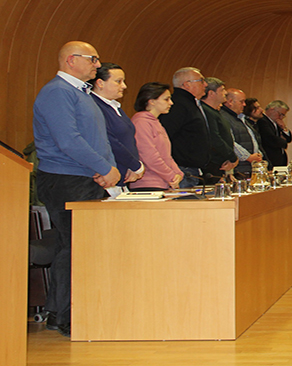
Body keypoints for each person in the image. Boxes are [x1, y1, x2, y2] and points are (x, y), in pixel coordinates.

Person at [33, 41, 119, 337]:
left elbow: (92, 138)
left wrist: (106, 167)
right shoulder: (57, 92)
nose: (98, 64)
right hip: (66, 179)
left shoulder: (79, 93)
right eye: (93, 59)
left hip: (84, 177)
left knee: (72, 247)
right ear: (72, 60)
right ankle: (71, 315)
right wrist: (105, 168)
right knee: (79, 248)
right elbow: (68, 141)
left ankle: (60, 312)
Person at [90, 62, 143, 196]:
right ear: (100, 83)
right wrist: (135, 165)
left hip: (122, 178)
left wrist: (133, 165)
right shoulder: (95, 107)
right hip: (106, 181)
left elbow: (128, 139)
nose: (124, 86)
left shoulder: (114, 106)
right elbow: (110, 141)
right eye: (118, 82)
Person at [159, 67, 211, 188]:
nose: (205, 84)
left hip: (190, 169)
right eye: (201, 81)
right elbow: (165, 136)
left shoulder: (188, 103)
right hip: (182, 170)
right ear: (187, 84)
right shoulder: (178, 105)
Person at [129, 82, 184, 190]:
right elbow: (149, 156)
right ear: (152, 101)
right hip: (147, 184)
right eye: (166, 99)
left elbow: (166, 156)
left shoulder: (156, 122)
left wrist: (178, 174)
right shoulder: (141, 122)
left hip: (161, 182)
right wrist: (171, 176)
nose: (171, 103)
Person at [201, 77, 237, 182]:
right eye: (222, 90)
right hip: (212, 165)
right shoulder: (206, 112)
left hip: (221, 164)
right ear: (211, 93)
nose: (225, 93)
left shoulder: (214, 112)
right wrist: (232, 157)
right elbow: (214, 138)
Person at [221, 89, 265, 175]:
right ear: (230, 102)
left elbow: (253, 138)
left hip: (248, 166)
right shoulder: (224, 117)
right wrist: (247, 157)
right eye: (241, 102)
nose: (244, 105)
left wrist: (258, 154)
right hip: (238, 168)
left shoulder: (241, 118)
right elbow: (230, 142)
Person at [259, 100, 292, 168]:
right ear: (272, 109)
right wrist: (283, 142)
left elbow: (289, 139)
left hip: (280, 159)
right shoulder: (262, 120)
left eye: (283, 115)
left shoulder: (277, 123)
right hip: (270, 158)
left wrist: (284, 128)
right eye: (280, 114)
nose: (281, 117)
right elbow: (271, 139)